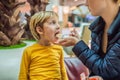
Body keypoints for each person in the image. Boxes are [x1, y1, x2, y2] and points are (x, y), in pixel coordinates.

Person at [56, 0, 120, 80]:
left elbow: (107, 71)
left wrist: (78, 44)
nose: (86, 3)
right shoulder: (97, 28)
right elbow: (96, 68)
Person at [19, 11, 68, 80]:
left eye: (57, 23)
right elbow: (23, 75)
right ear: (40, 30)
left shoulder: (59, 49)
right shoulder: (29, 51)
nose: (58, 26)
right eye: (53, 23)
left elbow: (63, 72)